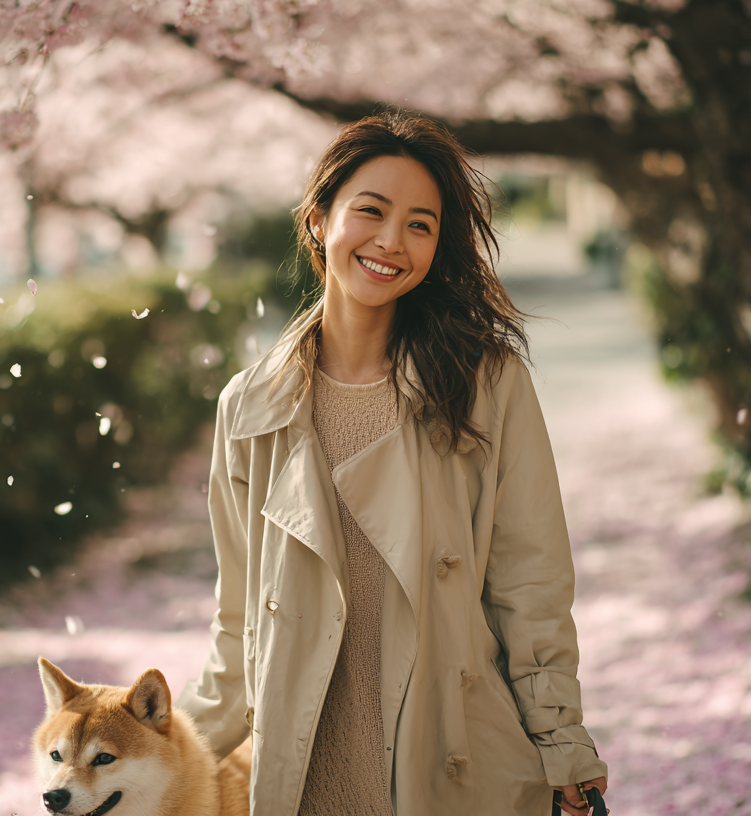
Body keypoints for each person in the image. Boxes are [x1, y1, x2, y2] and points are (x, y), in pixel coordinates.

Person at [181, 111, 608, 816]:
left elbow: (530, 585)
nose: (391, 242)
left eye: (420, 225)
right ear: (319, 219)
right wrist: (159, 761)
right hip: (307, 776)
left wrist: (562, 740)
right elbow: (240, 623)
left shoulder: (484, 385)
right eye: (371, 211)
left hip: (451, 755)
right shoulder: (251, 407)